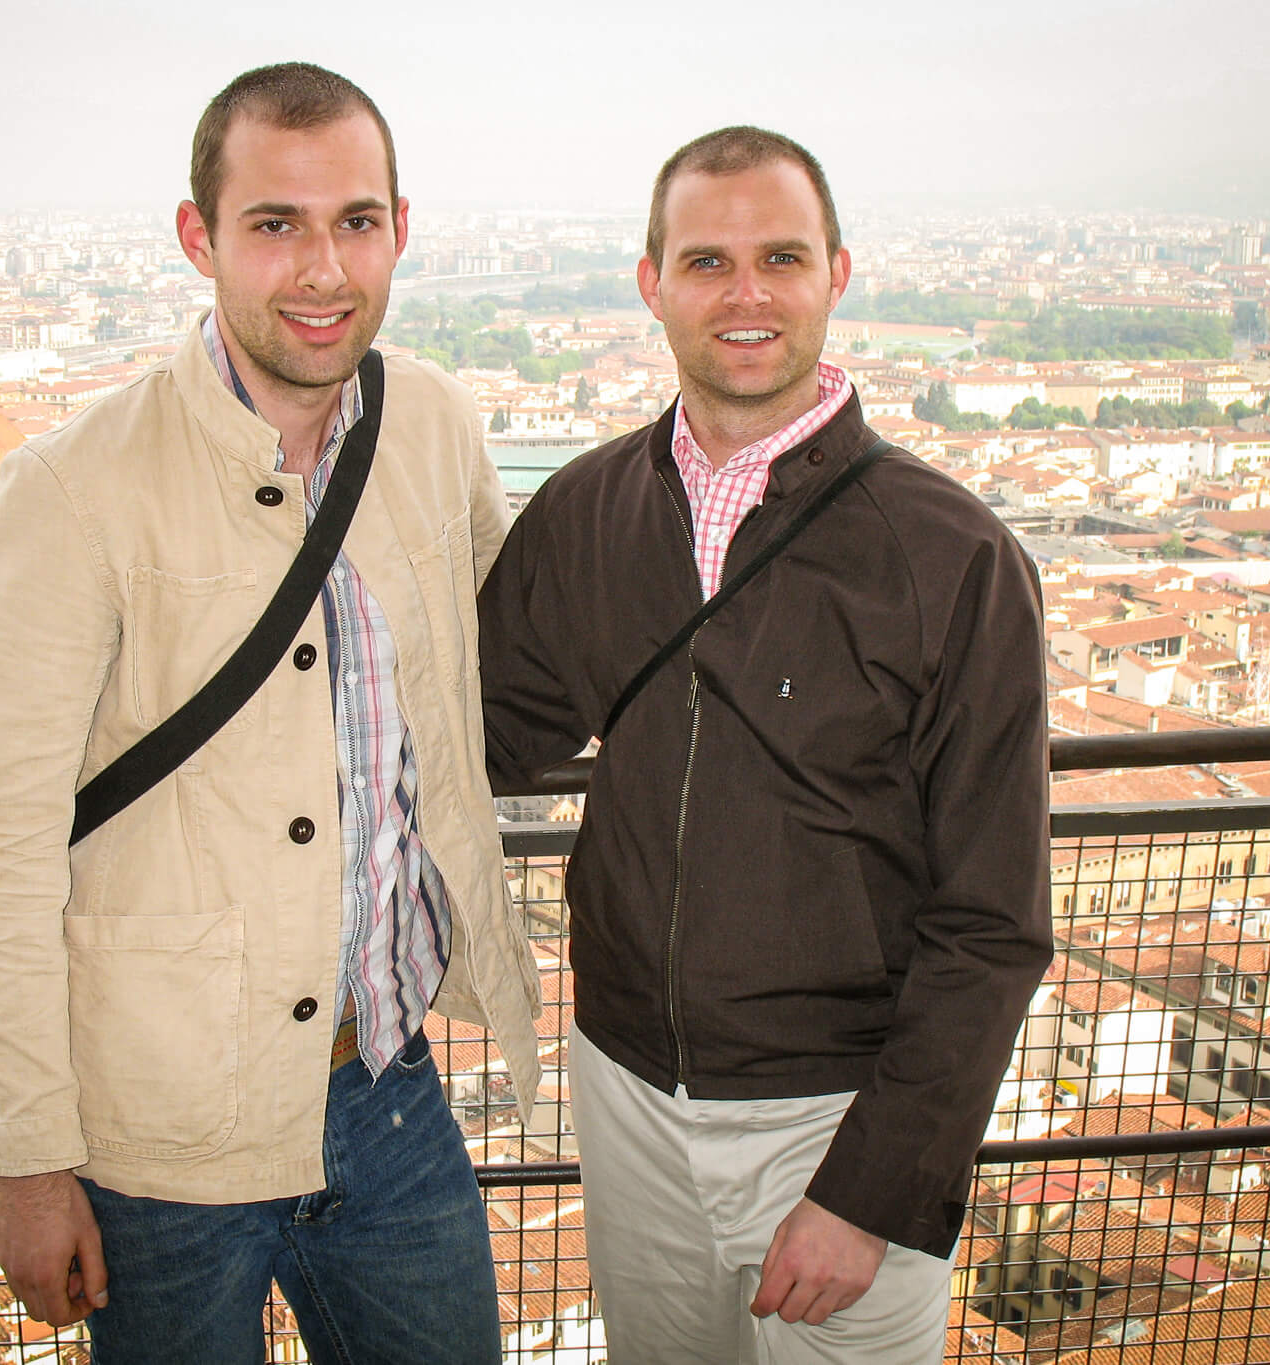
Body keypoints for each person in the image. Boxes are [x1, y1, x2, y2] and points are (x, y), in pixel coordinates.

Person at [0, 62, 541, 1364]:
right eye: (277, 226)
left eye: (357, 223)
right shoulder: (74, 488)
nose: (324, 269)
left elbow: (526, 646)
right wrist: (31, 1159)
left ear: (399, 228)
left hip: (385, 1096)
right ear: (198, 237)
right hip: (157, 1135)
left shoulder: (431, 422)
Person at [478, 126, 1054, 1364]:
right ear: (652, 284)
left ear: (835, 274)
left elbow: (992, 919)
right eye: (706, 262)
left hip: (836, 1112)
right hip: (625, 1084)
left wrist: (870, 1190)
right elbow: (484, 729)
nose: (744, 295)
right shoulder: (584, 510)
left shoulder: (952, 559)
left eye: (778, 257)